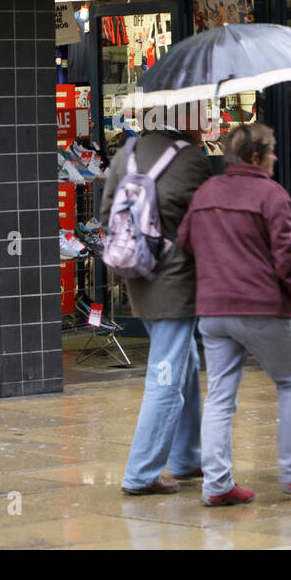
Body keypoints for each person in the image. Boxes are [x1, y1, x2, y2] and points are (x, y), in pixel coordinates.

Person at [178, 123, 291, 506]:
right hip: (260, 307)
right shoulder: (271, 194)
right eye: (272, 151)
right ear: (255, 157)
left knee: (219, 397)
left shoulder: (207, 192)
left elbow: (185, 242)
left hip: (213, 311)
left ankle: (216, 485)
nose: (276, 158)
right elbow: (286, 255)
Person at [100, 100, 212, 496]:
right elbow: (208, 225)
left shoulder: (125, 153)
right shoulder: (193, 161)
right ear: (184, 119)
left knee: (185, 361)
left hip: (137, 277)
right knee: (166, 372)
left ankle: (186, 456)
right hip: (176, 284)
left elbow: (105, 216)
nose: (209, 120)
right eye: (203, 113)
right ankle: (142, 473)